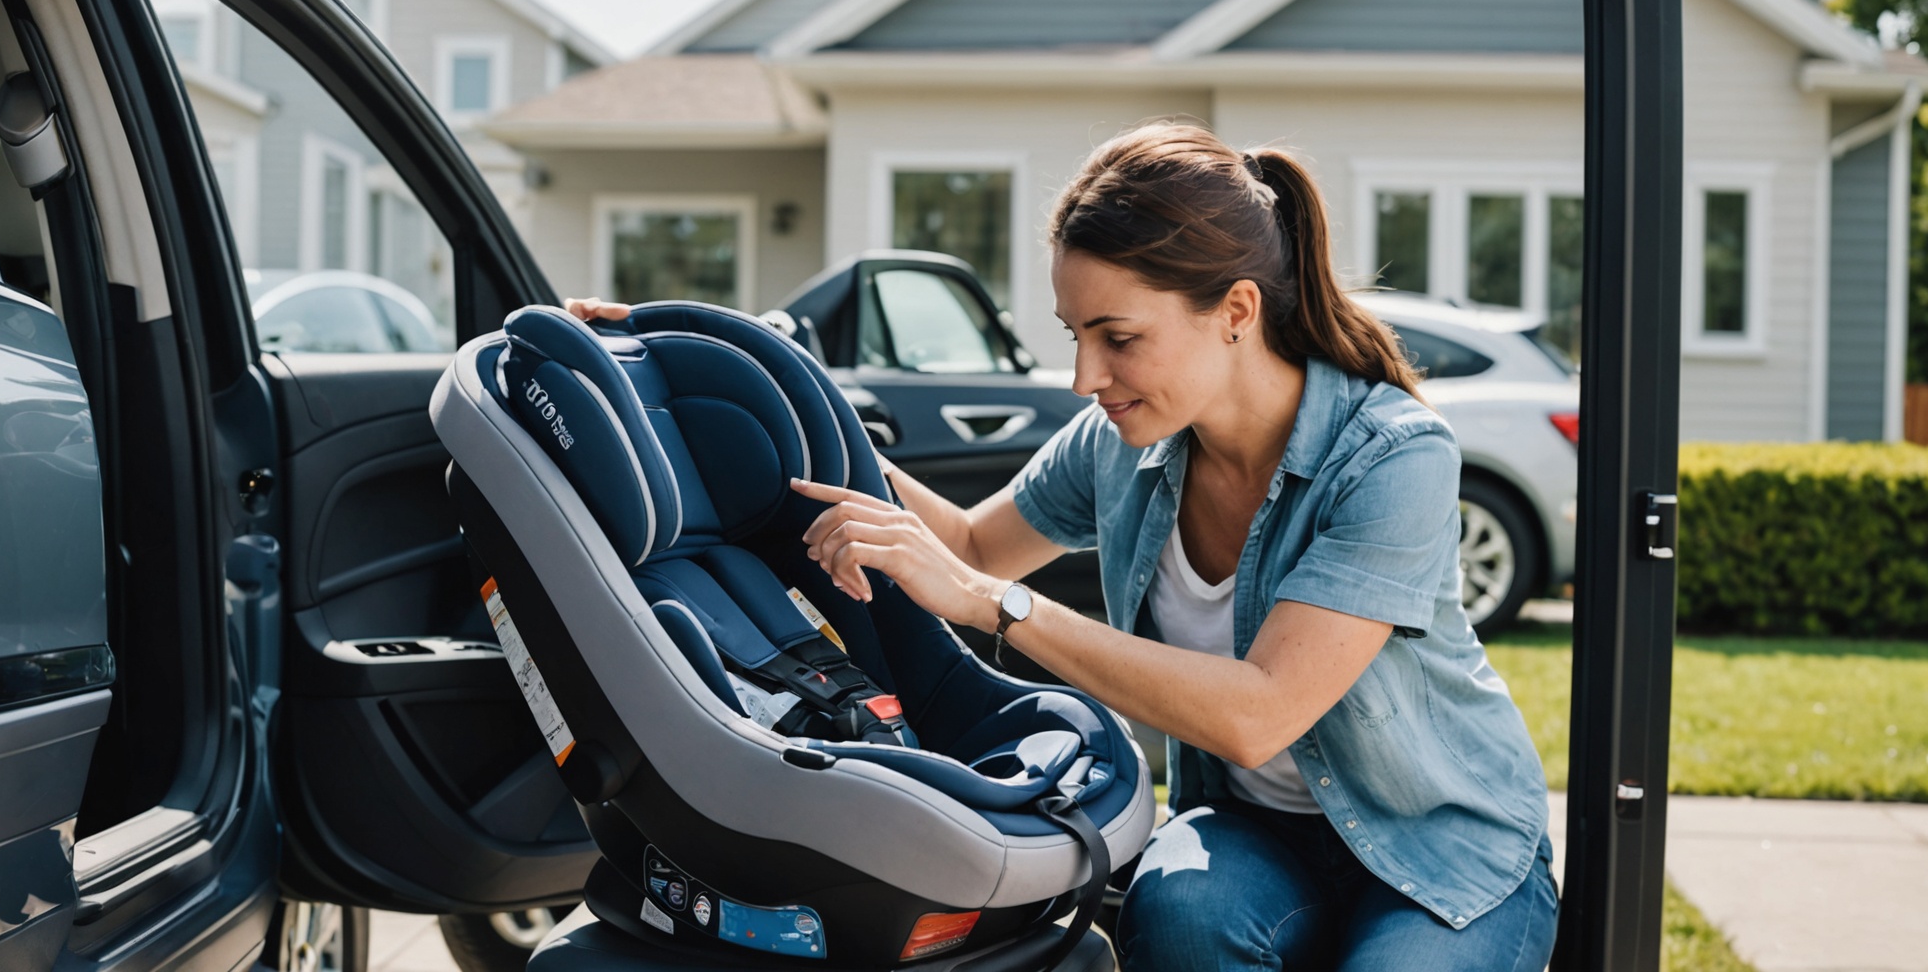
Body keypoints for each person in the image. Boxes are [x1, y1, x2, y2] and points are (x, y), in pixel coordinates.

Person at [562, 122, 1556, 971]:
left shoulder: (1389, 455)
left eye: (1116, 336)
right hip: (1264, 837)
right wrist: (744, 363)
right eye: (1071, 333)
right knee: (1174, 908)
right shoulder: (1122, 444)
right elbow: (965, 547)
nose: (1085, 374)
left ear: (1235, 313)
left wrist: (996, 607)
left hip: (1439, 845)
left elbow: (1259, 713)